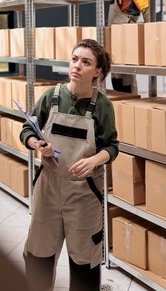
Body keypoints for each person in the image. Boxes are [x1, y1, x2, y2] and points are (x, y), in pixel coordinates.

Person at [20, 39, 119, 291]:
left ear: (97, 72)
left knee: (84, 257)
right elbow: (26, 131)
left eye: (86, 62)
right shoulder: (51, 96)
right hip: (49, 186)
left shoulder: (103, 106)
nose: (77, 66)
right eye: (74, 59)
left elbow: (112, 146)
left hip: (84, 192)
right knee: (39, 251)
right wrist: (36, 144)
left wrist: (95, 159)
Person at [107, 0, 150, 93]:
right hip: (114, 33)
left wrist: (151, 32)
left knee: (127, 75)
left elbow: (147, 9)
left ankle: (129, 102)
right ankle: (121, 103)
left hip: (127, 31)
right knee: (116, 74)